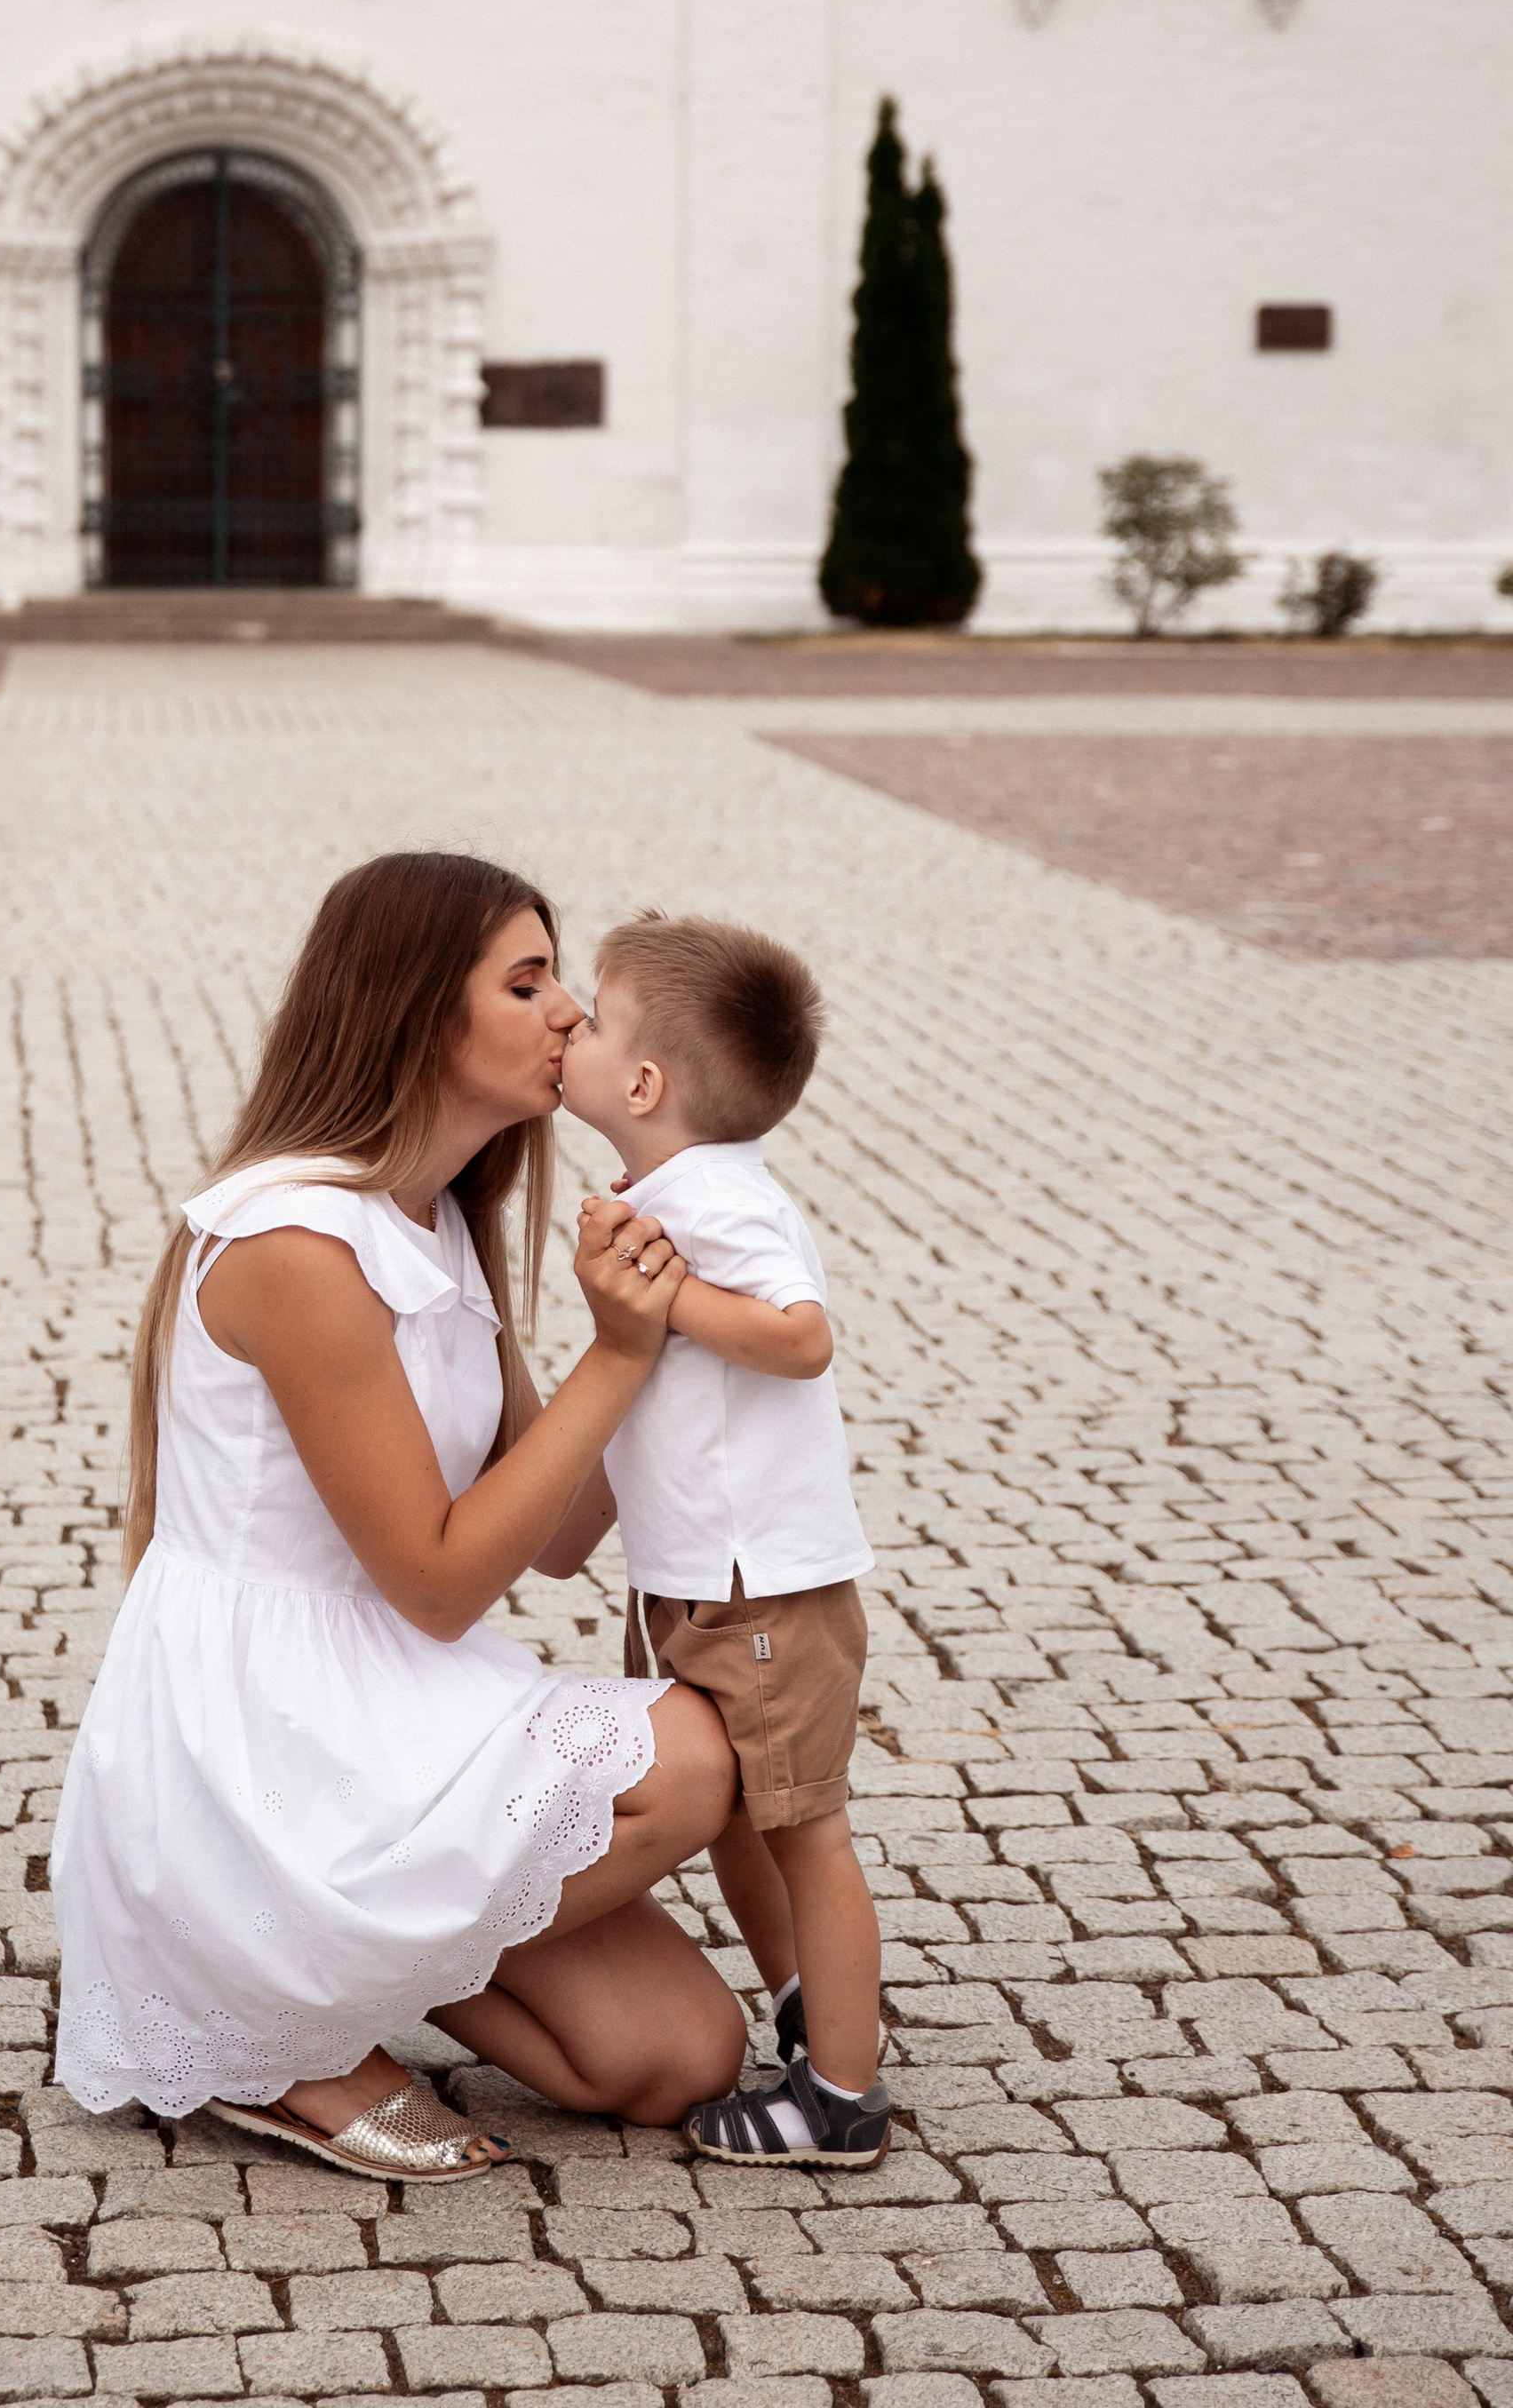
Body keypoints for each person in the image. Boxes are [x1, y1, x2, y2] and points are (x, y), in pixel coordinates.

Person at [52, 852, 748, 2180]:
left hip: (390, 1700)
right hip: (267, 1738)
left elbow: (554, 1535)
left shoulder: (435, 1222)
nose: (572, 1020)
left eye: (563, 982)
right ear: (417, 1008)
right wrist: (611, 1359)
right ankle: (267, 2023)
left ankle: (349, 1963)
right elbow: (439, 1580)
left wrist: (668, 1346)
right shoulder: (298, 1245)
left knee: (668, 2059)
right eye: (528, 982)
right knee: (692, 1759)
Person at [546, 909, 889, 2168]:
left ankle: (841, 2096)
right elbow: (646, 1400)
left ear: (641, 1084)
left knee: (806, 1831)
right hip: (697, 1582)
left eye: (587, 1011)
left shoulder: (713, 1198)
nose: (566, 1026)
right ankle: (811, 2003)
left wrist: (666, 1295)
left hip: (763, 1593)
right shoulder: (664, 1191)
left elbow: (801, 1337)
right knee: (743, 1823)